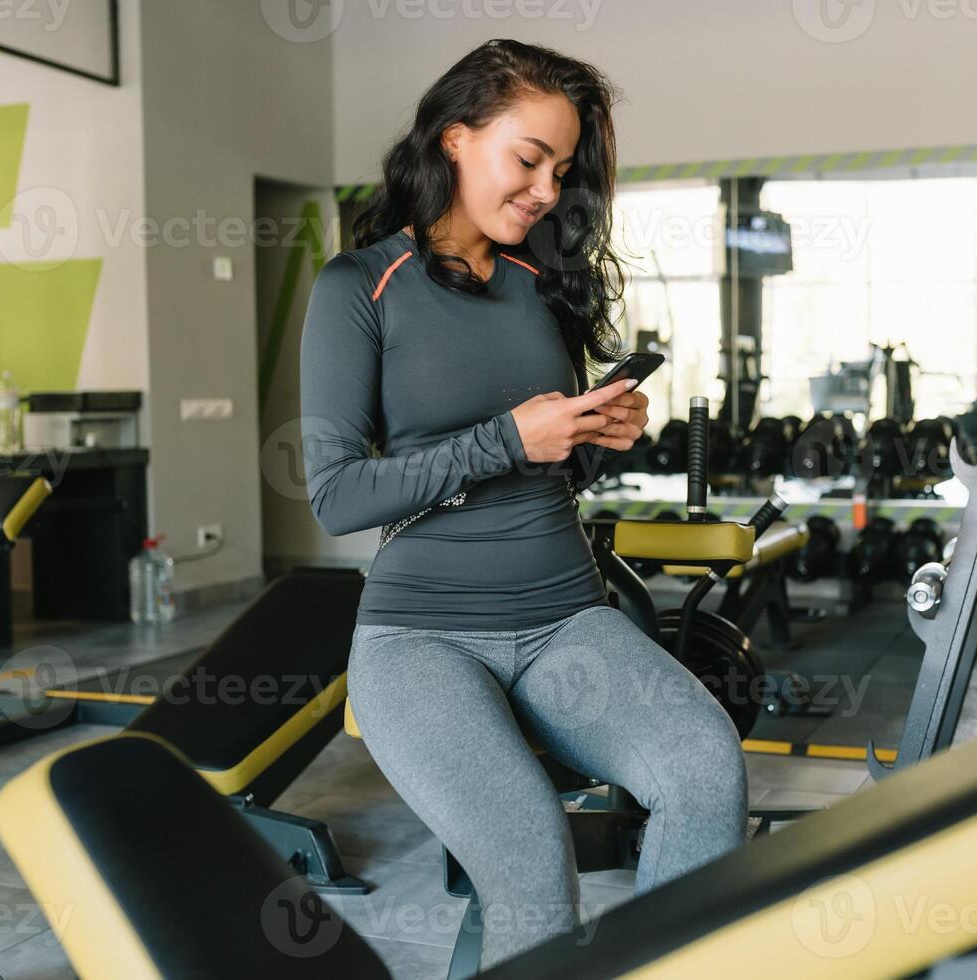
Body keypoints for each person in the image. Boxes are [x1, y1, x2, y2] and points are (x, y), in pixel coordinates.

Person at [299, 38, 748, 969]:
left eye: (564, 169)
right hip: (422, 635)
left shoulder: (544, 288)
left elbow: (544, 468)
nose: (548, 190)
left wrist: (588, 436)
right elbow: (338, 495)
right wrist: (511, 436)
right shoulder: (360, 287)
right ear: (455, 140)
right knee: (532, 858)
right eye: (529, 159)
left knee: (706, 770)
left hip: (563, 618)